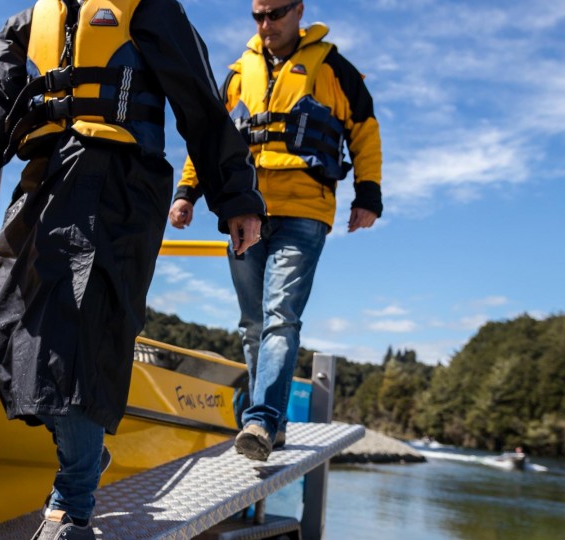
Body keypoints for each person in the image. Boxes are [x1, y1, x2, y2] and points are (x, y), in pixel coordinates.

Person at [0, 0, 266, 537]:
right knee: (11, 326)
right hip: (43, 177)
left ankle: (72, 502)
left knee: (76, 334)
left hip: (118, 187)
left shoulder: (149, 9)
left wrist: (238, 196)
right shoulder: (28, 21)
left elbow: (200, 103)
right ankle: (83, 456)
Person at [169, 0, 383, 462]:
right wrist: (186, 190)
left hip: (306, 210)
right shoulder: (237, 74)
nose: (266, 25)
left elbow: (364, 130)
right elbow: (210, 137)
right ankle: (272, 424)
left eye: (276, 14)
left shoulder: (333, 69)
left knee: (280, 314)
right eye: (258, 16)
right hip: (245, 210)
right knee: (252, 324)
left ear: (299, 10)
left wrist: (368, 194)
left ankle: (261, 420)